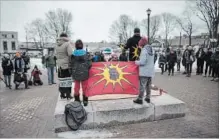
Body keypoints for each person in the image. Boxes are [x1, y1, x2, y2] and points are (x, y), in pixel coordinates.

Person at [133, 37, 154, 104]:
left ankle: (140, 99)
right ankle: (148, 98)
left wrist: (136, 62)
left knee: (142, 85)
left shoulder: (144, 50)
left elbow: (142, 62)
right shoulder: (152, 49)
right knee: (148, 85)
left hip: (144, 71)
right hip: (150, 71)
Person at [71, 39, 92, 106]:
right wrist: (86, 68)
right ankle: (85, 101)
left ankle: (77, 100)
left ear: (76, 46)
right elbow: (90, 64)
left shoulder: (73, 54)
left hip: (76, 73)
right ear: (82, 46)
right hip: (85, 73)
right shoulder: (86, 54)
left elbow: (71, 64)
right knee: (85, 87)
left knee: (76, 87)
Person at [56, 33, 73, 99]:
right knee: (68, 80)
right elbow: (70, 54)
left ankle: (62, 94)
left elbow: (56, 55)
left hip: (59, 66)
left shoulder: (57, 45)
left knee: (62, 80)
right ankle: (68, 95)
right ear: (66, 37)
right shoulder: (67, 44)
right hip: (66, 65)